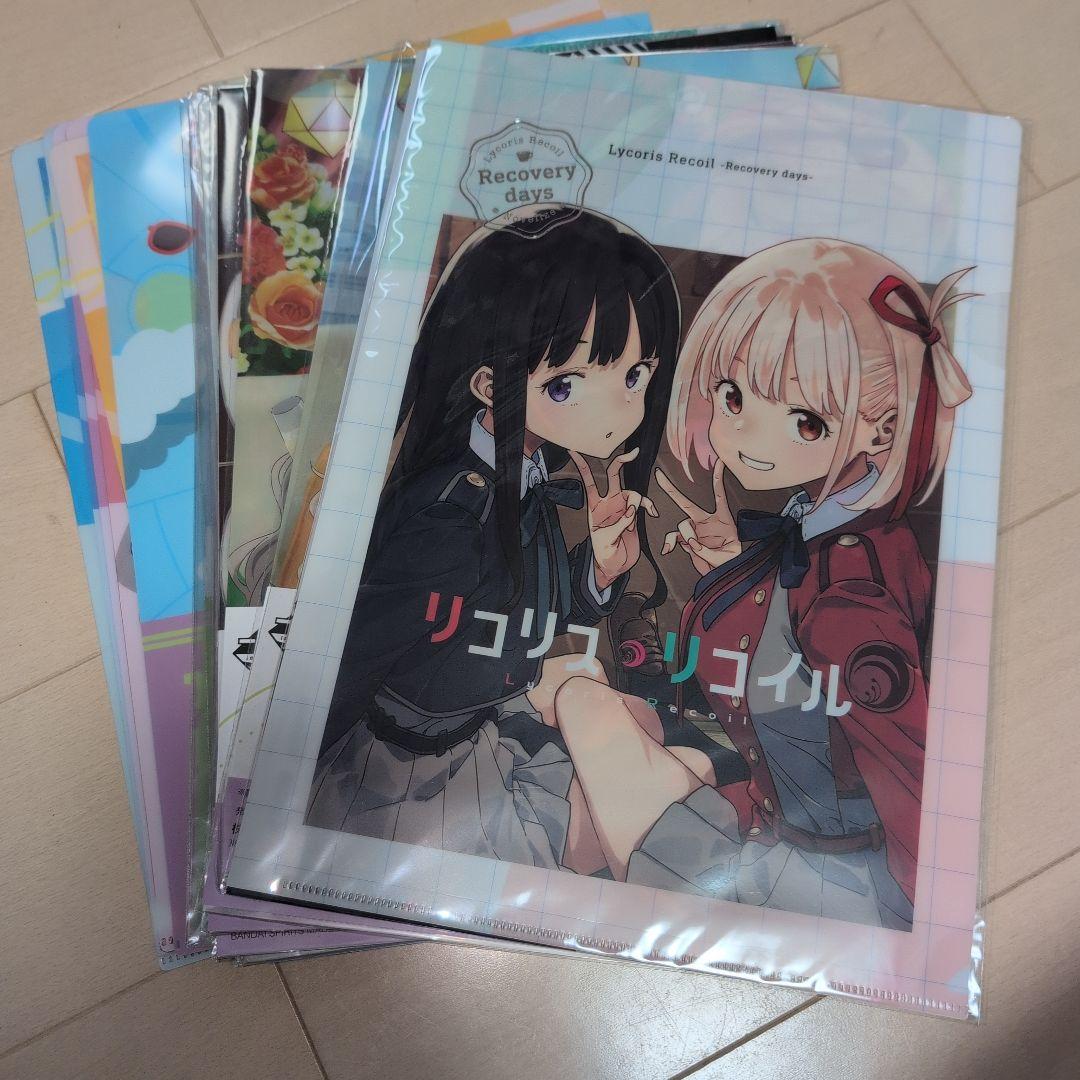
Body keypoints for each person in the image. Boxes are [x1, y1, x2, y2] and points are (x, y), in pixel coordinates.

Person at [556, 237, 974, 928]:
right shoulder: (836, 532)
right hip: (779, 830)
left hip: (810, 892)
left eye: (805, 421)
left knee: (581, 705)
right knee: (595, 719)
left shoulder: (848, 594)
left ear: (882, 432)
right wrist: (737, 573)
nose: (746, 433)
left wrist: (918, 940)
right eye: (732, 395)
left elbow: (914, 780)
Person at [306, 205, 681, 873]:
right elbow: (354, 658)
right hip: (402, 772)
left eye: (634, 377)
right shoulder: (450, 514)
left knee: (635, 744)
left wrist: (597, 568)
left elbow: (521, 608)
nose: (622, 408)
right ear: (487, 383)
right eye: (567, 384)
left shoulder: (526, 476)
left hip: (470, 739)